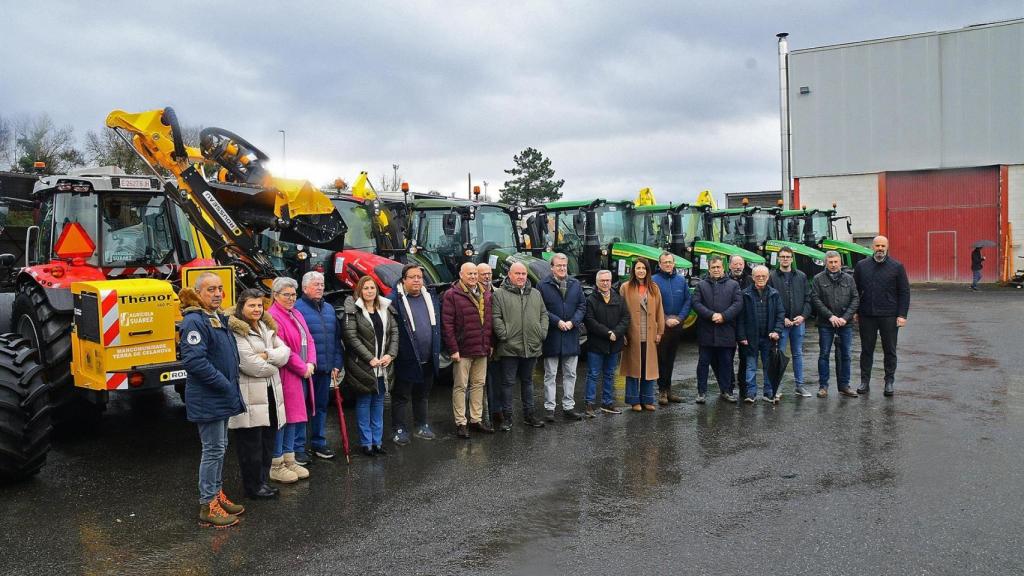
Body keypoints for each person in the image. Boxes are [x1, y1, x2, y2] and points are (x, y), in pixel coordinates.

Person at [179, 272, 245, 528]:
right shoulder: (195, 322)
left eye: (220, 289)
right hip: (210, 397)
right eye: (210, 290)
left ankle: (217, 495)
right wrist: (224, 383)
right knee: (212, 450)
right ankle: (208, 504)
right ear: (198, 293)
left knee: (220, 448)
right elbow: (194, 361)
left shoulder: (214, 317)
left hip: (220, 396)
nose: (217, 294)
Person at [228, 289, 289, 498]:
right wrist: (275, 364)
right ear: (241, 307)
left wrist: (267, 355)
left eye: (259, 305)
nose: (256, 309)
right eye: (251, 305)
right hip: (250, 397)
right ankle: (252, 487)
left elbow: (285, 352)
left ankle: (263, 482)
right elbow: (250, 364)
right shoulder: (237, 331)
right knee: (250, 446)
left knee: (267, 443)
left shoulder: (265, 326)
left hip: (270, 394)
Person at [342, 275, 399, 456]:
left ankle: (377, 442)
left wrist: (391, 354)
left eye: (372, 288)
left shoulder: (385, 308)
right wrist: (369, 358)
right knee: (365, 402)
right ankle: (366, 443)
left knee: (379, 402)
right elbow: (351, 337)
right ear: (360, 290)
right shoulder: (354, 310)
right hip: (363, 366)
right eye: (365, 288)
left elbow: (394, 333)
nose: (369, 291)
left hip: (383, 365)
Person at [267, 277, 315, 482]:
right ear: (275, 296)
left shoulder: (296, 313)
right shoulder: (273, 316)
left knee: (295, 417)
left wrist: (311, 363)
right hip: (287, 374)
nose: (291, 298)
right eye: (286, 294)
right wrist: (302, 367)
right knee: (283, 420)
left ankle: (290, 459)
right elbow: (283, 348)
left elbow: (309, 339)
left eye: (293, 294)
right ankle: (276, 463)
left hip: (303, 373)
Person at [293, 271, 343, 462]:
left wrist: (336, 363)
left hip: (325, 369)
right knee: (302, 409)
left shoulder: (329, 308)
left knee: (321, 407)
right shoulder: (297, 309)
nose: (320, 287)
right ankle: (299, 447)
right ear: (305, 288)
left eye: (322, 284)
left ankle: (318, 442)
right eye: (316, 284)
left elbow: (335, 339)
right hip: (305, 371)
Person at [492, 262, 549, 428]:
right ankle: (507, 418)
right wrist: (504, 335)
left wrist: (541, 333)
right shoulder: (500, 294)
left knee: (528, 382)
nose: (521, 277)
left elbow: (543, 315)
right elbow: (496, 318)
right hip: (509, 347)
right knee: (508, 383)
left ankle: (529, 415)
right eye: (517, 273)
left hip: (531, 346)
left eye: (523, 274)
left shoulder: (536, 294)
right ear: (509, 275)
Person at [442, 262, 495, 438]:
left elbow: (489, 321)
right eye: (469, 274)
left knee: (479, 384)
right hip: (462, 350)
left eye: (474, 274)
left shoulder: (486, 294)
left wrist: (490, 343)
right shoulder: (452, 295)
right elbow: (447, 325)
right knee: (461, 386)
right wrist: (453, 349)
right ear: (461, 275)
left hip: (481, 347)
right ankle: (461, 422)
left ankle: (475, 419)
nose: (473, 277)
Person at [390, 264, 441, 444]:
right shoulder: (394, 300)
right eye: (412, 277)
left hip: (428, 357)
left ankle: (421, 425)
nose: (417, 280)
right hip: (406, 357)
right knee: (401, 396)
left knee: (422, 395)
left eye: (419, 277)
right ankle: (399, 429)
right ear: (403, 280)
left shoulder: (430, 297)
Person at [854, 235, 910, 397]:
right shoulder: (862, 266)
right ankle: (865, 381)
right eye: (877, 245)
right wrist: (856, 311)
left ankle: (889, 382)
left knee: (890, 350)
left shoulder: (897, 267)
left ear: (887, 247)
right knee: (866, 350)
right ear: (872, 247)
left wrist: (902, 315)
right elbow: (855, 291)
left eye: (882, 246)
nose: (880, 249)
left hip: (890, 316)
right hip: (867, 315)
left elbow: (904, 292)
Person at [537, 253, 586, 422]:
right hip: (552, 335)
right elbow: (541, 309)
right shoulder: (542, 285)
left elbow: (582, 305)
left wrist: (573, 322)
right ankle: (549, 409)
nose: (562, 268)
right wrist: (557, 322)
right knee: (550, 374)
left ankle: (568, 407)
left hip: (571, 334)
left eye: (564, 266)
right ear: (552, 267)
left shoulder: (575, 284)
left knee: (570, 374)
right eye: (559, 266)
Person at [692, 255, 743, 404]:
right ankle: (701, 392)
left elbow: (738, 304)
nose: (716, 269)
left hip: (726, 331)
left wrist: (724, 316)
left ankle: (726, 391)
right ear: (709, 269)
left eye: (718, 267)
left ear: (723, 268)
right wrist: (711, 315)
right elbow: (696, 303)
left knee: (726, 362)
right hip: (706, 332)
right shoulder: (701, 285)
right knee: (703, 363)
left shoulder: (733, 285)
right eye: (713, 267)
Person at [811, 251, 860, 398]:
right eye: (830, 262)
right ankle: (823, 386)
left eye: (836, 262)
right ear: (826, 263)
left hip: (845, 324)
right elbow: (815, 299)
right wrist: (830, 316)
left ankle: (844, 385)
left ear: (840, 263)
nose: (833, 265)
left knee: (846, 355)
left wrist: (845, 318)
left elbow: (855, 299)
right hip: (826, 323)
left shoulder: (849, 279)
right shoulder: (818, 279)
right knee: (824, 354)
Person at [619, 258, 665, 412]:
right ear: (633, 270)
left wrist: (660, 331)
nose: (640, 271)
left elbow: (660, 311)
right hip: (632, 333)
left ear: (647, 271)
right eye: (638, 268)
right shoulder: (625, 287)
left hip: (650, 334)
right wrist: (622, 333)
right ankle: (633, 401)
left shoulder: (654, 288)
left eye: (643, 268)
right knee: (633, 368)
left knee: (648, 369)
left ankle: (647, 399)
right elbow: (620, 312)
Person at [583, 269, 630, 416]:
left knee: (609, 374)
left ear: (611, 281)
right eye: (602, 281)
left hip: (614, 345)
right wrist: (608, 333)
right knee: (593, 374)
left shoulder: (619, 299)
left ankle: (607, 403)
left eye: (608, 280)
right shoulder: (590, 300)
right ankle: (589, 404)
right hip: (596, 345)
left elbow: (626, 318)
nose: (605, 283)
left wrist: (616, 333)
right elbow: (590, 321)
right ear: (597, 283)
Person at [737, 265, 785, 403]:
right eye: (758, 276)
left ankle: (768, 392)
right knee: (751, 367)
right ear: (753, 277)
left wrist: (777, 331)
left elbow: (780, 314)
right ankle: (751, 393)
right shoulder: (745, 294)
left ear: (768, 277)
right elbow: (740, 318)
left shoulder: (774, 294)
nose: (761, 278)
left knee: (767, 367)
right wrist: (742, 336)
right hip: (751, 338)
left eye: (763, 276)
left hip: (768, 338)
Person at [768, 247, 811, 398]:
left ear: (792, 259)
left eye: (788, 257)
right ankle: (776, 387)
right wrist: (782, 319)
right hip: (781, 324)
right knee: (779, 354)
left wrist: (803, 316)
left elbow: (808, 298)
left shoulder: (801, 276)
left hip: (798, 323)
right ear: (778, 258)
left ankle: (799, 386)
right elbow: (770, 301)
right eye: (782, 256)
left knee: (797, 354)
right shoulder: (772, 277)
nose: (785, 259)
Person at [652, 251, 691, 405]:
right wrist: (665, 319)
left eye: (670, 262)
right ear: (660, 264)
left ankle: (668, 390)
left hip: (676, 326)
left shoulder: (681, 281)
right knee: (661, 359)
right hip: (661, 327)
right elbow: (653, 304)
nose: (668, 264)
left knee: (671, 359)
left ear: (674, 263)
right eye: (665, 262)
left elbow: (688, 301)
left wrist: (680, 318)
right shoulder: (654, 281)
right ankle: (661, 390)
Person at [478, 262, 505, 429]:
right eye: (483, 274)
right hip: (479, 345)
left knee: (496, 379)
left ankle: (497, 410)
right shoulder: (474, 295)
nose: (487, 277)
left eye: (489, 273)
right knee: (478, 383)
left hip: (496, 345)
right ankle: (479, 415)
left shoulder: (498, 293)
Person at [727, 255, 752, 398]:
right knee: (728, 357)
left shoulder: (750, 280)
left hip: (746, 324)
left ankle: (743, 385)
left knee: (745, 356)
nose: (738, 267)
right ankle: (728, 385)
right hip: (729, 323)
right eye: (735, 264)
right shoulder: (725, 281)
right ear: (729, 265)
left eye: (740, 264)